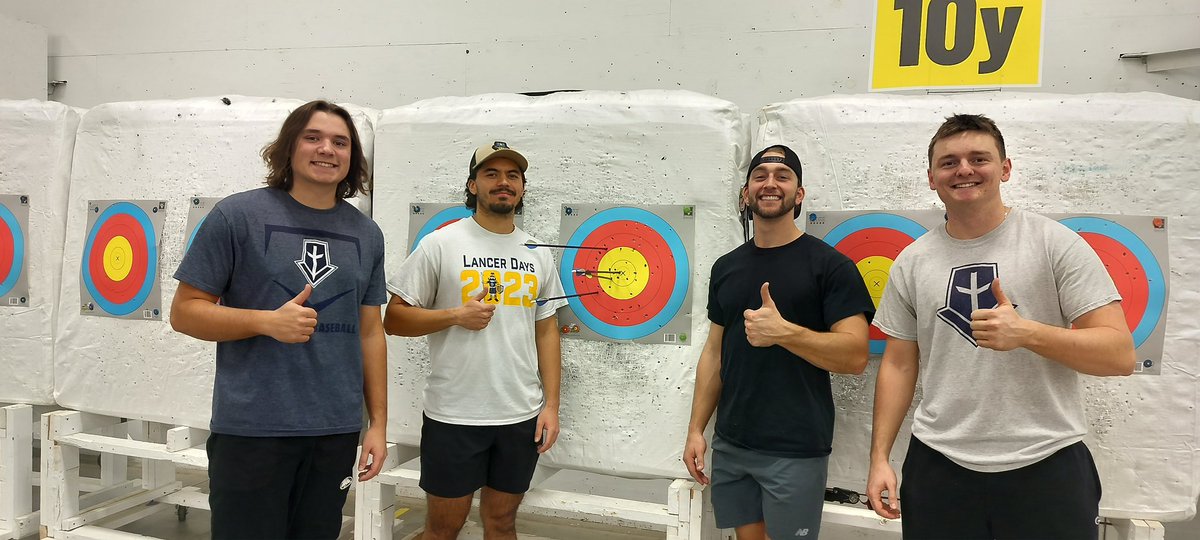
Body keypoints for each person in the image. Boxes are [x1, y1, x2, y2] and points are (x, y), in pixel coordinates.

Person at [866, 114, 1135, 539]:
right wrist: (879, 457)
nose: (964, 170)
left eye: (979, 158)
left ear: (1005, 169)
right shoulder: (912, 261)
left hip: (1047, 464)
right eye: (949, 162)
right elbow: (899, 365)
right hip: (939, 467)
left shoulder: (1054, 243)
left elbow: (1119, 356)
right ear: (932, 177)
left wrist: (1028, 333)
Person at [170, 100, 388, 539]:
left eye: (340, 142)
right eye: (313, 137)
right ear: (289, 148)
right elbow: (184, 312)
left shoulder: (367, 233)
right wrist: (265, 322)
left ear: (352, 158)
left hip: (335, 430)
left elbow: (370, 331)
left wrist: (378, 423)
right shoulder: (237, 216)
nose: (327, 149)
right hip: (253, 430)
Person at [683, 145, 874, 540]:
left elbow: (855, 356)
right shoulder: (727, 266)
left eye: (782, 176)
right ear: (746, 193)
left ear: (799, 194)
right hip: (733, 443)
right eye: (760, 176)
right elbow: (715, 353)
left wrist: (784, 332)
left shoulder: (830, 266)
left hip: (795, 447)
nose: (770, 183)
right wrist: (696, 429)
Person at [383, 141, 566, 540]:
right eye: (491, 174)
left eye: (513, 176)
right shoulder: (441, 244)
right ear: (472, 185)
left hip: (520, 415)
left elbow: (547, 328)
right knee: (443, 527)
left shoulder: (537, 252)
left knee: (501, 522)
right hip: (455, 416)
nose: (504, 182)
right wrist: (454, 315)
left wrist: (551, 404)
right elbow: (393, 319)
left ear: (522, 189)